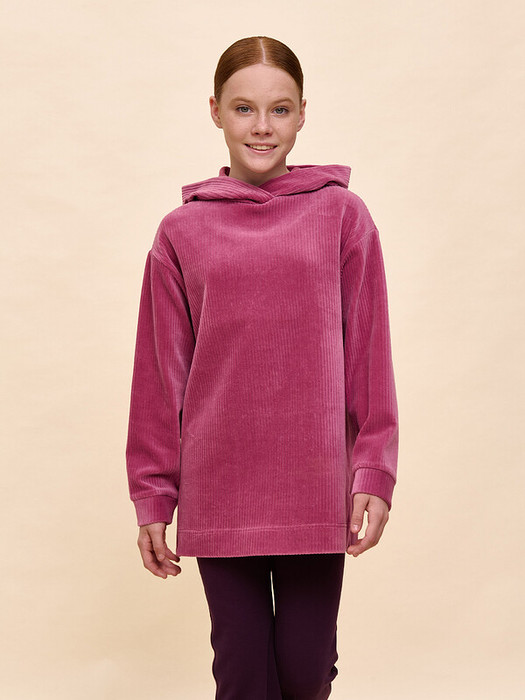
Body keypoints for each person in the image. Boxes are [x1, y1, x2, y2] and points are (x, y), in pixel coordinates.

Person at [126, 35, 399, 700]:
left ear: (302, 114)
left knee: (307, 671)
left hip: (315, 487)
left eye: (279, 109)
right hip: (220, 489)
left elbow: (368, 354)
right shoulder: (180, 232)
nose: (261, 126)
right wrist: (153, 495)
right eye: (244, 108)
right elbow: (160, 377)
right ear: (215, 111)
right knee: (242, 674)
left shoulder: (342, 215)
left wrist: (373, 468)